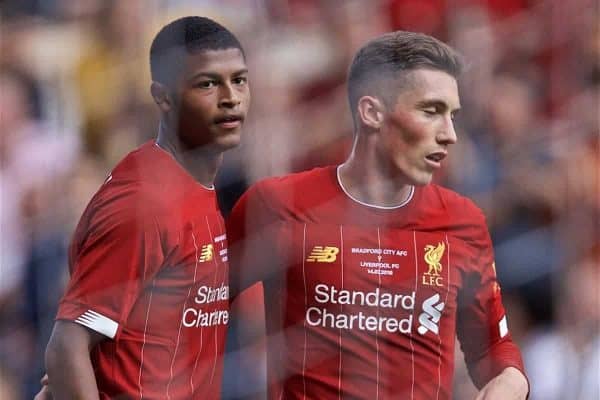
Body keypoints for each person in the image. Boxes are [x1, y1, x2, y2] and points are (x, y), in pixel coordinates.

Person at [227, 31, 529, 399]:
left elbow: (494, 350)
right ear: (372, 112)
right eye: (431, 111)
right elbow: (190, 310)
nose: (449, 134)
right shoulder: (277, 204)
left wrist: (511, 381)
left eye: (452, 116)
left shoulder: (463, 222)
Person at [40, 16, 250, 399]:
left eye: (239, 80)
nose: (230, 97)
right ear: (163, 97)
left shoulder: (194, 188)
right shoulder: (146, 201)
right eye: (207, 83)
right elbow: (66, 346)